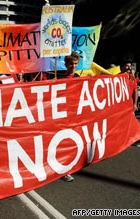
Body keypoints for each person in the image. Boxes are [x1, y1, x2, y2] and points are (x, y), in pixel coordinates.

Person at [59, 51, 81, 182]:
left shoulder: (79, 77)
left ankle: (69, 166)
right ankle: (65, 170)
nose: (73, 66)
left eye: (76, 64)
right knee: (65, 143)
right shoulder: (59, 78)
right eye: (71, 64)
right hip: (63, 115)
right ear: (66, 64)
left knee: (74, 142)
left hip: (76, 115)